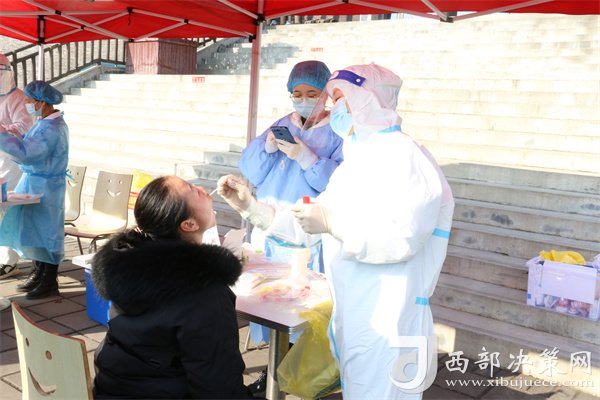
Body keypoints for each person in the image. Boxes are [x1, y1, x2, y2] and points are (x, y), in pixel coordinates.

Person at [218, 63, 455, 400]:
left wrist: (333, 224)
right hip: (356, 310)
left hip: (390, 317)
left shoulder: (404, 157)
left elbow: (401, 237)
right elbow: (311, 222)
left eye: (342, 99)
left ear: (370, 101)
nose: (335, 109)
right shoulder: (357, 159)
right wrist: (252, 208)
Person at [92, 176, 253, 399]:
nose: (203, 189)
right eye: (194, 190)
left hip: (112, 389)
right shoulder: (204, 292)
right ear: (189, 225)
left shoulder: (131, 266)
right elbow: (218, 388)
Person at [239, 60, 343, 360]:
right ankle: (273, 368)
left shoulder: (337, 133)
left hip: (307, 235)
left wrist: (308, 159)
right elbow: (251, 171)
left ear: (325, 94)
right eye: (297, 94)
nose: (303, 100)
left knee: (302, 311)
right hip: (270, 227)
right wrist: (267, 149)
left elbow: (338, 183)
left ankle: (296, 371)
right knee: (268, 304)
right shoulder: (282, 125)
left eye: (312, 94)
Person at [0, 80, 68, 300]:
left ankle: (49, 281)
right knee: (33, 230)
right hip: (36, 183)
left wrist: (3, 136)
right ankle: (38, 273)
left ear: (42, 102)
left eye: (29, 101)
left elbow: (28, 154)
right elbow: (29, 144)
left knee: (47, 233)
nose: (27, 105)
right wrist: (11, 133)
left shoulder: (53, 127)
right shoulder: (45, 123)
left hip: (47, 187)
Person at [0, 53, 32, 280]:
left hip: (12, 163)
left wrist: (4, 129)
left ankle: (9, 261)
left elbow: (25, 125)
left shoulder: (17, 97)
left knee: (9, 209)